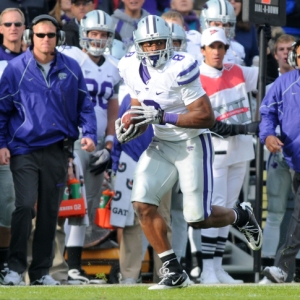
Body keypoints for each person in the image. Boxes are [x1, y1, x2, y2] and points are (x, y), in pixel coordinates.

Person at [116, 15, 262, 290]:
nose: (154, 49)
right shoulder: (129, 65)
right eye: (148, 44)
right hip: (161, 143)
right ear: (138, 46)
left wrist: (162, 116)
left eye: (159, 42)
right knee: (142, 205)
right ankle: (173, 272)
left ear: (169, 42)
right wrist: (129, 121)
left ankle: (240, 216)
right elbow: (137, 101)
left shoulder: (181, 66)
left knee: (197, 217)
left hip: (192, 142)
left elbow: (205, 117)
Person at [0, 14, 97, 286]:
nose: (45, 39)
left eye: (50, 35)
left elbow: (84, 106)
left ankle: (41, 272)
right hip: (24, 149)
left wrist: (89, 134)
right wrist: (1, 144)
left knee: (49, 212)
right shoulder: (15, 69)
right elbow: (1, 111)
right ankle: (14, 268)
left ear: (58, 38)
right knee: (24, 206)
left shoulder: (72, 67)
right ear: (32, 38)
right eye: (40, 35)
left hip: (57, 149)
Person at [57, 9, 121, 283]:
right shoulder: (71, 57)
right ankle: (59, 265)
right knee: (71, 201)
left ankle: (74, 265)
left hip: (97, 143)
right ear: (83, 34)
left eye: (103, 34)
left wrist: (109, 144)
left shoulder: (114, 66)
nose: (98, 38)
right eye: (93, 33)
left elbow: (112, 110)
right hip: (75, 139)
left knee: (88, 204)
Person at [198, 27, 259, 284]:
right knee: (217, 207)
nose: (217, 51)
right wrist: (245, 127)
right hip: (216, 150)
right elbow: (210, 123)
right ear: (202, 50)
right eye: (212, 46)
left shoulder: (237, 70)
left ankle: (218, 267)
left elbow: (269, 73)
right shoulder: (197, 77)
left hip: (242, 148)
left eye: (221, 46)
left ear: (226, 48)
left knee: (230, 209)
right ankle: (206, 269)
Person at [110, 94, 172, 284]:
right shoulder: (131, 95)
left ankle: (166, 272)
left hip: (163, 161)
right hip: (132, 162)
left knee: (163, 219)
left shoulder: (169, 94)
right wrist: (114, 163)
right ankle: (129, 274)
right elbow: (119, 130)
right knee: (131, 222)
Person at [259, 38, 300, 284]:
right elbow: (267, 112)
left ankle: (283, 268)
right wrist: (268, 135)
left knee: (298, 216)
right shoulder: (284, 83)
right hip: (294, 159)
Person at [0, 7, 25, 273]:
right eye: (7, 24)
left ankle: (6, 263)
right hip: (2, 140)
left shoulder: (33, 58)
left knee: (10, 207)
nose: (13, 28)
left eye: (17, 23)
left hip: (18, 143)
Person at [199, 0, 245, 65]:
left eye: (225, 25)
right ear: (205, 24)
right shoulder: (194, 46)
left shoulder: (237, 50)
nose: (221, 29)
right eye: (217, 25)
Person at [229, 0, 259, 66]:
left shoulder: (250, 27)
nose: (232, 2)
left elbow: (255, 54)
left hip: (244, 72)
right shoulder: (216, 25)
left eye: (237, 0)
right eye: (229, 0)